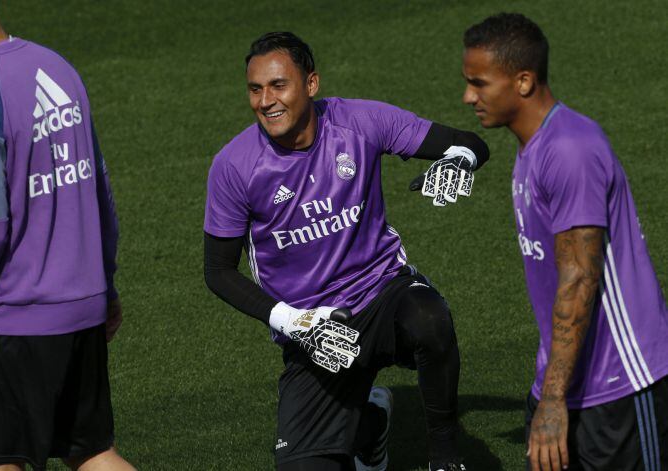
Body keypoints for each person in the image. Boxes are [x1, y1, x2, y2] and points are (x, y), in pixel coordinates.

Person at [204, 31, 489, 471]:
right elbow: (218, 272)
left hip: (382, 294)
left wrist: (460, 160)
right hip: (315, 331)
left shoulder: (359, 121)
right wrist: (294, 322)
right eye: (255, 89)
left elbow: (469, 141)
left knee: (430, 318)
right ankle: (369, 426)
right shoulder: (234, 166)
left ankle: (445, 458)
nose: (265, 101)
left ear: (311, 84)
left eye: (278, 85)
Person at [0, 1, 134, 469]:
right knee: (94, 455)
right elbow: (99, 191)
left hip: (10, 324)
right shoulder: (58, 68)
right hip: (81, 312)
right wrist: (106, 287)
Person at [461, 13, 668, 471]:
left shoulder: (570, 149)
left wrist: (552, 400)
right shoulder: (534, 148)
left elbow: (579, 279)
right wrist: (549, 392)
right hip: (564, 383)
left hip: (619, 385)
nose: (468, 97)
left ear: (523, 81)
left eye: (479, 83)